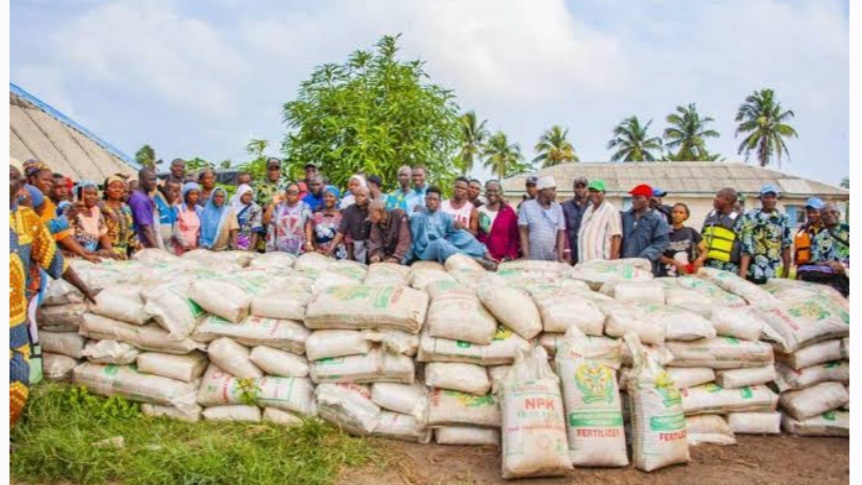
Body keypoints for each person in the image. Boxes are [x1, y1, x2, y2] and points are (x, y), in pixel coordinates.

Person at [10, 164, 96, 426]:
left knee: (16, 377)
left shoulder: (28, 220)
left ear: (21, 184)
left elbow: (53, 259)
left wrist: (85, 289)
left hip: (12, 319)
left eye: (11, 176)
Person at [23, 160, 100, 263]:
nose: (49, 184)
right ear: (32, 179)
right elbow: (36, 230)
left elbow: (61, 234)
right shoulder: (24, 199)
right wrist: (67, 217)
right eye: (45, 180)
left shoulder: (46, 202)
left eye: (51, 181)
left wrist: (83, 252)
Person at [409, 186, 495, 268]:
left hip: (442, 246)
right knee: (440, 243)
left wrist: (485, 251)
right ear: (425, 199)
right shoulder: (417, 217)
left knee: (463, 235)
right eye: (429, 199)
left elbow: (458, 233)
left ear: (439, 201)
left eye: (435, 199)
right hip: (424, 251)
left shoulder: (444, 216)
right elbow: (411, 239)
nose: (432, 202)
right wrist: (406, 259)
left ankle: (482, 253)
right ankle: (474, 260)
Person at [739, 184, 793, 284]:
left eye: (773, 197)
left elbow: (786, 246)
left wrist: (786, 271)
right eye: (766, 197)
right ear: (761, 199)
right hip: (754, 270)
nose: (770, 200)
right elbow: (746, 248)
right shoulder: (751, 217)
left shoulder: (783, 219)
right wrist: (742, 275)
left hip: (773, 271)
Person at [797, 203, 849, 296]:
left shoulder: (848, 230)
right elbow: (815, 260)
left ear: (838, 214)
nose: (829, 215)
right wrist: (828, 263)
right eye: (825, 214)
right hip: (832, 281)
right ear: (821, 217)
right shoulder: (819, 236)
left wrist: (842, 265)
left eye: (833, 212)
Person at [621, 184, 671, 276]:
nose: (634, 201)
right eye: (633, 198)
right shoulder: (626, 217)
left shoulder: (656, 218)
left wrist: (644, 258)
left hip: (645, 266)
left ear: (648, 199)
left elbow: (662, 242)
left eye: (638, 198)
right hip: (625, 264)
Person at [518, 176, 567, 262]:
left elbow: (561, 232)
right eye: (552, 189)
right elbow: (523, 232)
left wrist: (560, 257)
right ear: (542, 190)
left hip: (552, 257)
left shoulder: (558, 208)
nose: (555, 193)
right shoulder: (526, 206)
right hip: (532, 257)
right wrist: (526, 255)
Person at [700, 188, 744, 274]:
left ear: (727, 200)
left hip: (728, 268)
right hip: (706, 264)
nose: (715, 199)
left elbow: (746, 250)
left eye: (719, 196)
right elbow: (701, 239)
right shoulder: (710, 216)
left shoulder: (741, 220)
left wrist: (742, 274)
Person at [578, 179, 622, 263]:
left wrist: (612, 261)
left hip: (601, 263)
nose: (593, 194)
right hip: (584, 262)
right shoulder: (588, 210)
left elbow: (616, 236)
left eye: (597, 191)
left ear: (604, 193)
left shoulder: (610, 210)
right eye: (591, 191)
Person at [264, 182, 313, 255]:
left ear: (299, 194)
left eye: (295, 192)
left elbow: (308, 226)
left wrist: (308, 242)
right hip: (278, 249)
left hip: (299, 248)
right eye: (289, 192)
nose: (292, 195)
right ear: (286, 193)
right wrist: (272, 204)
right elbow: (265, 221)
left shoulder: (304, 207)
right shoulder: (278, 206)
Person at [67, 182, 114, 257]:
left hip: (91, 254)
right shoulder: (72, 209)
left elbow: (103, 234)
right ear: (80, 195)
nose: (93, 197)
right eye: (88, 193)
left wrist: (110, 252)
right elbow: (68, 237)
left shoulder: (96, 211)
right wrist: (88, 253)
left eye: (95, 194)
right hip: (74, 253)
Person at [659, 203, 707, 277]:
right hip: (667, 275)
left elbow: (704, 250)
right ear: (670, 214)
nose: (677, 214)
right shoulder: (663, 232)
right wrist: (673, 262)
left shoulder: (691, 231)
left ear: (686, 216)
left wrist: (700, 259)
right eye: (674, 212)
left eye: (681, 213)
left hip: (687, 274)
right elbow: (657, 255)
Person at [477, 180, 519, 262]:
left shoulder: (508, 212)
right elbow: (475, 236)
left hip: (503, 260)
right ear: (485, 192)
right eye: (489, 190)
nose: (492, 193)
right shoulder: (479, 211)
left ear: (500, 192)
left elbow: (514, 237)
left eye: (495, 191)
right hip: (482, 257)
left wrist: (510, 255)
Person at [328, 186, 372, 262]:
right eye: (357, 195)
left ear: (369, 196)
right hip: (358, 245)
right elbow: (341, 230)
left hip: (373, 244)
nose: (359, 198)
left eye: (362, 195)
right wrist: (330, 249)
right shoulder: (350, 210)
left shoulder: (373, 208)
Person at [99, 175, 138, 259]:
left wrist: (136, 246)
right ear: (106, 190)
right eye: (113, 187)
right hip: (106, 252)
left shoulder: (126, 208)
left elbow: (131, 230)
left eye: (120, 187)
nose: (118, 190)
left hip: (124, 252)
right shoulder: (100, 207)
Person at [305, 185, 346, 258]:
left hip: (337, 254)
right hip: (319, 254)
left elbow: (344, 237)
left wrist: (330, 250)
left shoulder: (342, 216)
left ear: (336, 198)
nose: (327, 199)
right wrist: (316, 248)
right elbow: (312, 234)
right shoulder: (316, 215)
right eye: (325, 196)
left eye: (331, 196)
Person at [368, 200, 412, 264]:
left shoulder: (399, 215)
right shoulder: (375, 222)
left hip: (403, 254)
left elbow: (404, 240)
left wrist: (396, 257)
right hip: (387, 254)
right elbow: (375, 242)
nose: (369, 216)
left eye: (371, 213)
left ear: (381, 212)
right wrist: (376, 255)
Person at [561, 176, 590, 265]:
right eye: (578, 187)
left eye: (583, 187)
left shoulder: (592, 208)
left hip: (587, 251)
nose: (580, 189)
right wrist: (566, 250)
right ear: (574, 189)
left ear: (587, 188)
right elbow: (563, 230)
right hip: (569, 251)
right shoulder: (564, 206)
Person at [198, 187, 239, 251]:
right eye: (216, 196)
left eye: (221, 197)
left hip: (222, 249)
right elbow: (201, 229)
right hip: (205, 248)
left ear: (225, 198)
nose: (219, 199)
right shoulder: (205, 211)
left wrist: (234, 246)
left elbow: (234, 229)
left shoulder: (229, 211)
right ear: (212, 197)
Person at [128, 168, 160, 249]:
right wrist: (157, 249)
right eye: (150, 180)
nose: (154, 183)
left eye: (155, 180)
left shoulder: (146, 197)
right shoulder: (140, 199)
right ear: (141, 180)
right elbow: (146, 228)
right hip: (141, 245)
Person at [231, 184, 265, 252]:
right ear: (240, 195)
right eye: (245, 195)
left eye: (250, 195)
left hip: (247, 243)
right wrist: (234, 245)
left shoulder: (255, 208)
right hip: (231, 243)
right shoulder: (231, 206)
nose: (248, 197)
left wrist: (251, 249)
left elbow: (256, 230)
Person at [794, 197, 824, 266]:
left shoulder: (828, 230)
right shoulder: (802, 231)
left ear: (822, 213)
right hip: (806, 271)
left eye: (815, 212)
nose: (811, 215)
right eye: (809, 212)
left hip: (825, 271)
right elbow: (798, 255)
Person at [154, 180, 182, 252]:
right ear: (165, 191)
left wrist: (185, 244)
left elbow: (176, 229)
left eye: (179, 191)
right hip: (157, 247)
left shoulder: (174, 207)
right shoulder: (156, 204)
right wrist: (162, 251)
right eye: (174, 191)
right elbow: (156, 232)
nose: (177, 194)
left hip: (167, 245)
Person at [176, 182, 203, 253]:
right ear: (186, 195)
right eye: (192, 194)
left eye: (197, 194)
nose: (195, 196)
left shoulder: (199, 210)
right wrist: (185, 245)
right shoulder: (179, 209)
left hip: (195, 246)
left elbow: (200, 230)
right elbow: (176, 229)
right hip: (181, 245)